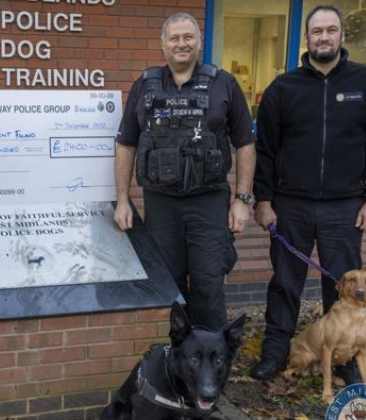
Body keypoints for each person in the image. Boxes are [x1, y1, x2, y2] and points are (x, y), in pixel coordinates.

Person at [250, 4, 366, 382]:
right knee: (284, 282)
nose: (325, 37)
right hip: (290, 204)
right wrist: (263, 201)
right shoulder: (284, 88)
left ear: (342, 36)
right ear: (307, 38)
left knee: (343, 286)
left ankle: (345, 360)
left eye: (332, 30)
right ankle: (276, 351)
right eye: (317, 31)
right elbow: (265, 149)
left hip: (344, 207)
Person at [113, 13, 256, 330]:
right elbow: (126, 143)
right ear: (163, 44)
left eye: (188, 37)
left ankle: (211, 366)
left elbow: (245, 143)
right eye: (174, 38)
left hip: (208, 202)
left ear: (199, 42)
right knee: (168, 284)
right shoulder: (145, 85)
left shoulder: (224, 84)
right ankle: (175, 361)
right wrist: (122, 199)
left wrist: (243, 199)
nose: (181, 44)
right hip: (161, 203)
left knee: (208, 284)